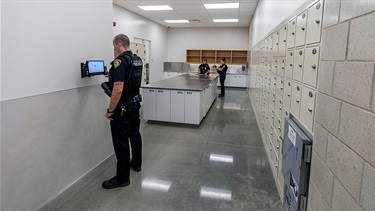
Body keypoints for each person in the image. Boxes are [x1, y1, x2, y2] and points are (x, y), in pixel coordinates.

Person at [103, 34, 143, 189]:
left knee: (121, 142)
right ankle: (137, 164)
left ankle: (122, 178)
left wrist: (110, 110)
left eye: (114, 46)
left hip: (122, 109)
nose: (114, 49)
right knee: (135, 135)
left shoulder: (119, 62)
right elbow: (129, 79)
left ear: (118, 44)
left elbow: (118, 89)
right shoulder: (136, 59)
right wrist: (112, 74)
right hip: (134, 105)